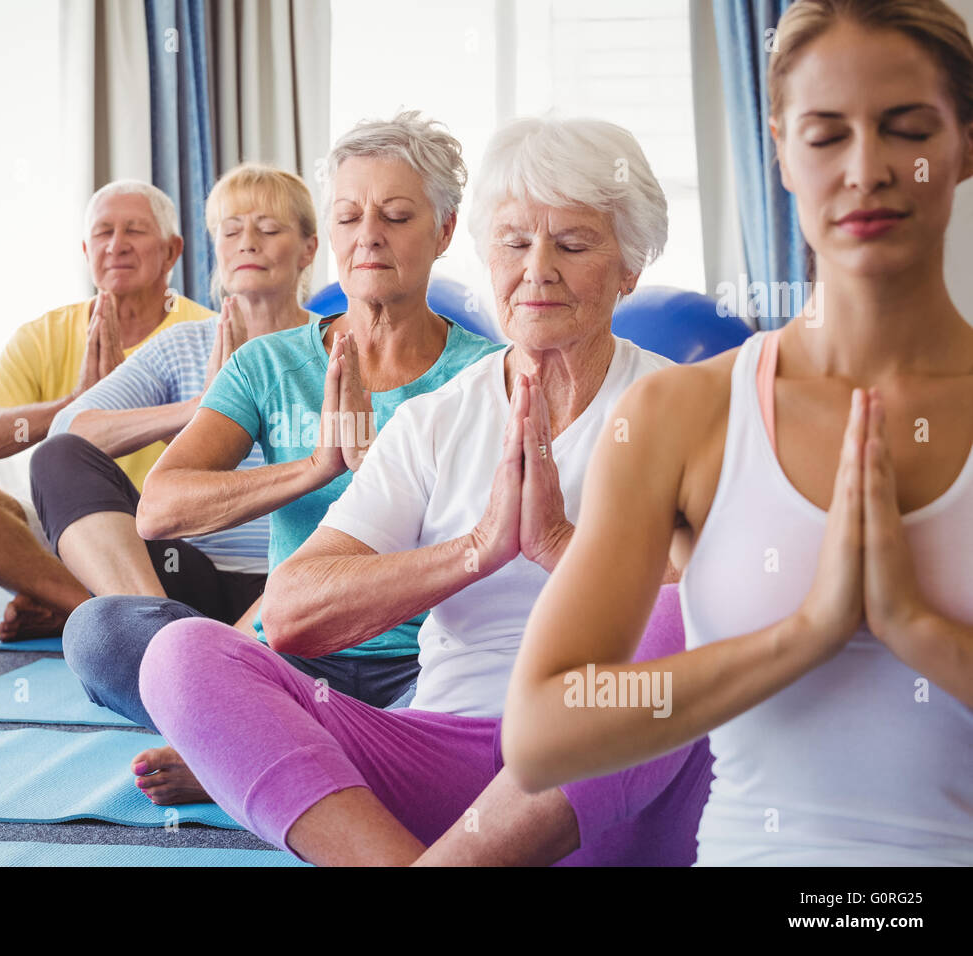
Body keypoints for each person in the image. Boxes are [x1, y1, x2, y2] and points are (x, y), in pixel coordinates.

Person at [135, 116, 713, 867]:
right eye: (513, 243)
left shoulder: (691, 409)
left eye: (572, 244)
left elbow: (727, 610)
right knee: (180, 655)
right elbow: (291, 615)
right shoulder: (437, 420)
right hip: (449, 759)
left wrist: (557, 546)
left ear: (630, 267)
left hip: (616, 771)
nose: (536, 269)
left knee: (684, 614)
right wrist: (475, 551)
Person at [504, 0, 973, 866]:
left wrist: (916, 629)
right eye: (826, 134)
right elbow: (540, 735)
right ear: (783, 152)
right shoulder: (679, 416)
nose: (867, 169)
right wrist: (802, 636)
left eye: (906, 129)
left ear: (964, 143)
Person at [60, 110, 502, 803]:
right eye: (350, 216)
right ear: (329, 233)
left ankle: (250, 745)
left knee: (489, 710)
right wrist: (316, 466)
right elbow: (160, 510)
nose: (369, 237)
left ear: (444, 231)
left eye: (396, 215)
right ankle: (311, 743)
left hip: (422, 666)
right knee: (100, 634)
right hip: (286, 656)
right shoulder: (270, 363)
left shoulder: (487, 375)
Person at [0, 181, 212, 640]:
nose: (117, 244)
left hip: (168, 540)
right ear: (87, 250)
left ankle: (94, 607)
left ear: (171, 251)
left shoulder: (204, 333)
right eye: (103, 232)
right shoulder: (43, 334)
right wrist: (76, 404)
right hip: (71, 531)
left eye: (135, 231)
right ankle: (81, 605)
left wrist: (131, 406)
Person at [31, 164, 320, 657]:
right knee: (55, 459)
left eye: (269, 229)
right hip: (188, 584)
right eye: (230, 231)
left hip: (299, 581)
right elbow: (69, 430)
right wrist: (199, 409)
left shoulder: (335, 347)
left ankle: (190, 664)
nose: (247, 242)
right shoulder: (183, 346)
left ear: (308, 248)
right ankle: (162, 642)